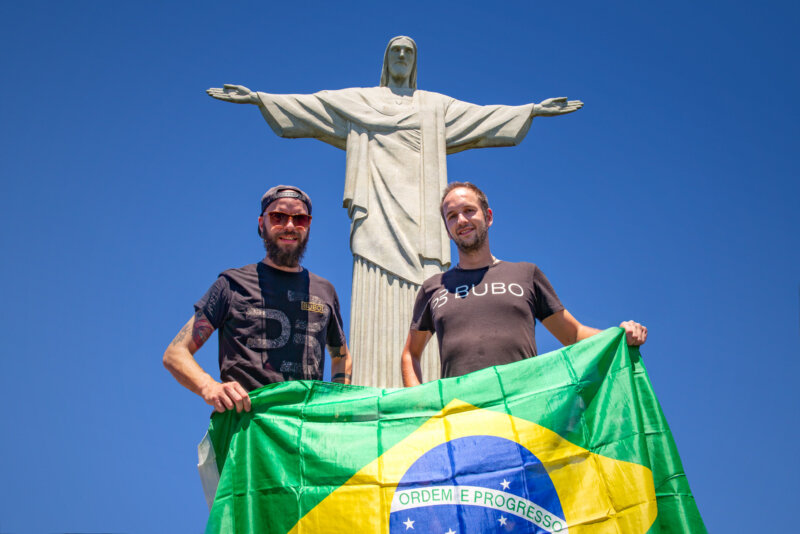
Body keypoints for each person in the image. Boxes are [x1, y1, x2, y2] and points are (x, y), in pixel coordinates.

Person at [206, 36, 583, 388]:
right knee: (375, 291)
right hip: (376, 217)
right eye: (395, 52)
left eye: (408, 52)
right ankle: (373, 391)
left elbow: (481, 117)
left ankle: (430, 388)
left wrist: (530, 110)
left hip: (422, 220)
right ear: (386, 62)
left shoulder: (434, 106)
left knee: (431, 289)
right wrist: (259, 98)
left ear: (414, 62)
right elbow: (314, 106)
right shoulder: (362, 101)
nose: (402, 57)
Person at [401, 182, 647, 386]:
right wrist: (419, 406)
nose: (461, 220)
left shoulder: (525, 274)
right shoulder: (434, 288)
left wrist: (618, 335)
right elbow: (411, 354)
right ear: (447, 229)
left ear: (488, 217)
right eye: (452, 216)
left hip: (524, 410)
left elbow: (572, 334)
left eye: (469, 211)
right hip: (460, 418)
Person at [163, 185, 352, 413]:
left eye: (300, 219)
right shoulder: (232, 285)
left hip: (305, 432)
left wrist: (336, 409)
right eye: (278, 217)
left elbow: (341, 356)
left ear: (308, 226)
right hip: (246, 431)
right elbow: (175, 353)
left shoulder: (324, 291)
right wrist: (209, 387)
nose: (290, 226)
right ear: (262, 224)